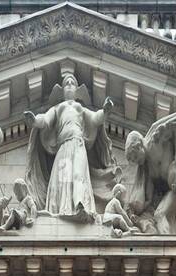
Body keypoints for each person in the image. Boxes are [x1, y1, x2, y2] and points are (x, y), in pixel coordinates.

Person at [23, 72, 114, 221]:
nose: (70, 85)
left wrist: (105, 111)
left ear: (77, 90)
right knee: (63, 179)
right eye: (67, 83)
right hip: (63, 148)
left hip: (78, 145)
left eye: (72, 83)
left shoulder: (79, 108)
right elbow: (45, 120)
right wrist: (34, 120)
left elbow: (95, 118)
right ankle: (63, 208)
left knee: (78, 174)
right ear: (63, 90)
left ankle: (80, 204)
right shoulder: (59, 108)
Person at [123, 111, 176, 236]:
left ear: (139, 145)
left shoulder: (155, 138)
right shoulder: (147, 168)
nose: (137, 162)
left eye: (135, 157)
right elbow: (148, 197)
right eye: (134, 161)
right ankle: (170, 248)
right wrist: (135, 213)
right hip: (173, 189)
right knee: (158, 215)